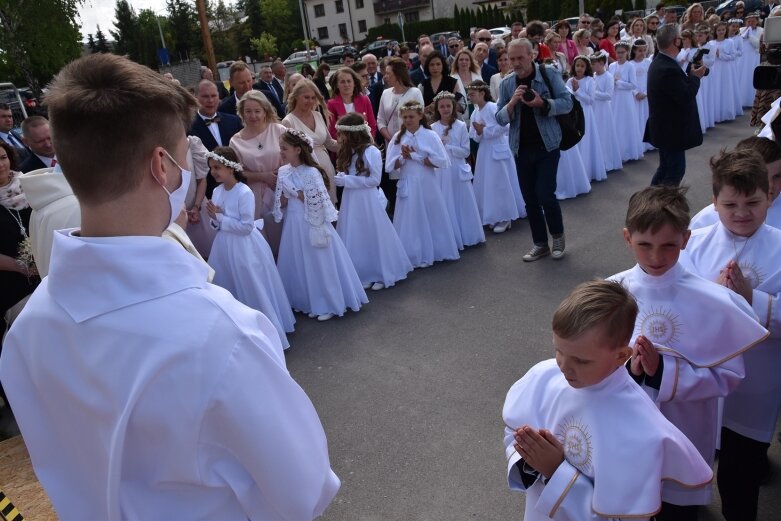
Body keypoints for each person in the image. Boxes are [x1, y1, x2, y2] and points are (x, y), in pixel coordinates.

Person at [0, 52, 339, 519]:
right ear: (161, 166)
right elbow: (304, 488)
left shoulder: (25, 334)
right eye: (186, 157)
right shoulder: (221, 334)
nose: (191, 170)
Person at [611, 185, 768, 520]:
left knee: (676, 511)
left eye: (669, 245)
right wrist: (632, 369)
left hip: (686, 428)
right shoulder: (612, 292)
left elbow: (728, 376)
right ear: (627, 238)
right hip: (626, 430)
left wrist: (662, 373)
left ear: (685, 239)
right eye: (644, 245)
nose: (656, 257)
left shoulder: (714, 300)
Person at [502, 280, 713, 521]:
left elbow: (621, 516)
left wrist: (555, 471)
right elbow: (513, 431)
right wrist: (528, 456)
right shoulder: (545, 377)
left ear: (622, 355)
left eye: (581, 361)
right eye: (559, 351)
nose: (563, 367)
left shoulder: (639, 425)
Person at [680, 148, 781, 521]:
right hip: (698, 383)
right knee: (689, 468)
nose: (741, 213)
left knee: (740, 478)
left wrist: (751, 299)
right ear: (714, 202)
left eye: (752, 202)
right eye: (731, 204)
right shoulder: (694, 244)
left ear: (769, 197)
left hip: (756, 383)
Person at [273, 128, 367, 321]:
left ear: (298, 149)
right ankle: (304, 300)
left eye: (284, 148)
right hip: (293, 222)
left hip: (311, 222)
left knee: (317, 262)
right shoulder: (283, 171)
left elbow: (315, 201)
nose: (281, 151)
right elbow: (282, 201)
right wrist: (283, 197)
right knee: (298, 261)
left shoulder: (311, 172)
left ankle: (328, 302)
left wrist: (294, 191)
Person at [205, 147, 294, 349]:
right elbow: (216, 223)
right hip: (224, 246)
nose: (214, 172)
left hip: (244, 247)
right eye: (211, 168)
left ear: (231, 168)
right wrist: (214, 219)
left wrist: (220, 217)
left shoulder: (244, 192)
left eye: (217, 167)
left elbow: (246, 227)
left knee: (251, 284)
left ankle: (266, 332)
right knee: (229, 284)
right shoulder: (217, 191)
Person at [496, 38, 572, 262]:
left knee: (545, 194)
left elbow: (567, 102)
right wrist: (511, 103)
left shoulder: (548, 74)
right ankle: (540, 244)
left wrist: (542, 103)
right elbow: (499, 118)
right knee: (529, 199)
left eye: (520, 57)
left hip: (548, 145)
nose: (516, 63)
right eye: (512, 59)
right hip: (521, 148)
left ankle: (557, 236)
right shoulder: (507, 83)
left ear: (532, 55)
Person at [333, 113, 412, 290]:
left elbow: (374, 180)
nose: (339, 138)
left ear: (352, 134)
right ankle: (363, 272)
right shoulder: (349, 152)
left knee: (372, 234)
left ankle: (381, 272)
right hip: (351, 199)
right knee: (356, 234)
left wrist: (348, 181)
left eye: (342, 134)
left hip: (367, 200)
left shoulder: (372, 152)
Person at [385, 100, 459, 268]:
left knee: (429, 213)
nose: (408, 120)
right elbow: (390, 166)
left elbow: (442, 162)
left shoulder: (430, 135)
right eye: (405, 117)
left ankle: (435, 250)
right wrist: (403, 157)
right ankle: (412, 253)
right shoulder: (398, 138)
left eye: (411, 116)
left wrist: (417, 157)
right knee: (411, 217)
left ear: (420, 116)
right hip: (408, 182)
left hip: (426, 181)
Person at [646, 24, 704, 186]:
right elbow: (686, 95)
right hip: (670, 131)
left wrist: (689, 75)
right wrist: (695, 77)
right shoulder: (667, 67)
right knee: (674, 171)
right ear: (676, 41)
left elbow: (675, 90)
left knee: (665, 169)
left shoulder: (661, 62)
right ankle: (662, 207)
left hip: (665, 128)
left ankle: (652, 202)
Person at [229, 91, 287, 255]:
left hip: (281, 188)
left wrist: (278, 175)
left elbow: (291, 157)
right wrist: (263, 176)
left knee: (286, 234)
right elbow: (237, 172)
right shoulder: (236, 140)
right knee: (263, 240)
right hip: (255, 196)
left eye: (257, 111)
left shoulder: (279, 130)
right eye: (248, 111)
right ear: (242, 113)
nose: (253, 115)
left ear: (265, 111)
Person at [467, 81, 525, 234]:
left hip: (498, 149)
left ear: (482, 93)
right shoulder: (475, 112)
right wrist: (479, 132)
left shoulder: (492, 107)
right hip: (485, 150)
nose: (470, 97)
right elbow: (474, 135)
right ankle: (494, 214)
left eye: (472, 94)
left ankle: (505, 216)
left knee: (501, 182)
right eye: (469, 94)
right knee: (489, 183)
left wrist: (484, 130)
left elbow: (505, 127)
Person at [430, 91, 485, 249]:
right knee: (445, 201)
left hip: (457, 169)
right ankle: (449, 237)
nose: (445, 109)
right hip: (441, 172)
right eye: (442, 106)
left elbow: (466, 151)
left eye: (448, 106)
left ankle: (466, 234)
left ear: (453, 107)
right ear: (437, 109)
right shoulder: (433, 128)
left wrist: (448, 146)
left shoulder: (460, 126)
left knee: (460, 202)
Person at [377, 58, 424, 214]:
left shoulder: (414, 92)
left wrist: (403, 139)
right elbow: (381, 120)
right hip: (393, 145)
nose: (385, 76)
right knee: (397, 184)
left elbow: (419, 118)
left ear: (397, 74)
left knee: (412, 181)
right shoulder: (385, 93)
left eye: (388, 73)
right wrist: (392, 139)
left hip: (411, 145)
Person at [282, 79, 339, 203]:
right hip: (305, 174)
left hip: (326, 169)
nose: (311, 101)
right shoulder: (288, 121)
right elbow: (287, 154)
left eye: (313, 98)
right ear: (296, 97)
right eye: (306, 97)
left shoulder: (317, 115)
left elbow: (329, 143)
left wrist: (351, 142)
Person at [188, 80, 244, 201]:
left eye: (214, 96)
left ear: (219, 97)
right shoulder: (188, 127)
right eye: (205, 96)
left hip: (238, 186)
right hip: (209, 192)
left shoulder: (233, 121)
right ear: (196, 98)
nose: (210, 100)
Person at [566, 56, 606, 183]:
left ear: (586, 68)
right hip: (573, 114)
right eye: (577, 65)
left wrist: (578, 90)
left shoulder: (590, 81)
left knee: (586, 140)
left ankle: (588, 171)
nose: (579, 68)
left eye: (582, 66)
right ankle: (578, 172)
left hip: (586, 113)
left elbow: (590, 100)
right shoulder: (569, 81)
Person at [590, 52, 623, 172]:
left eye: (594, 64)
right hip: (594, 108)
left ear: (602, 63)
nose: (592, 66)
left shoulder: (608, 77)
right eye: (591, 63)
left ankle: (607, 161)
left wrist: (593, 93)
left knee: (604, 134)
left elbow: (608, 95)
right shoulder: (593, 75)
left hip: (603, 110)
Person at [326, 67, 377, 139]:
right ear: (337, 85)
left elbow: (372, 124)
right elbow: (332, 131)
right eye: (342, 82)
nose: (346, 84)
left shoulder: (364, 100)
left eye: (349, 81)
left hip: (365, 144)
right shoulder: (331, 104)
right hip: (343, 146)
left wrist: (367, 142)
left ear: (354, 83)